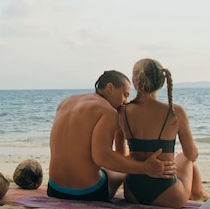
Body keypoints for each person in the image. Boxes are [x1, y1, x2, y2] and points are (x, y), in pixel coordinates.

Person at [47, 70, 177, 202]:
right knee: (123, 173)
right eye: (124, 95)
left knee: (111, 166)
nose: (125, 101)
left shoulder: (66, 102)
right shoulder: (107, 111)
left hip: (54, 189)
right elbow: (102, 157)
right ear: (110, 88)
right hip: (86, 193)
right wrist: (144, 168)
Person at [117, 58, 210, 208]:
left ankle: (199, 193)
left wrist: (141, 160)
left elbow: (121, 155)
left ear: (135, 81)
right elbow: (191, 154)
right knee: (185, 159)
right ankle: (198, 193)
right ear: (161, 82)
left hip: (133, 192)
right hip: (168, 193)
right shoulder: (175, 112)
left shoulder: (122, 112)